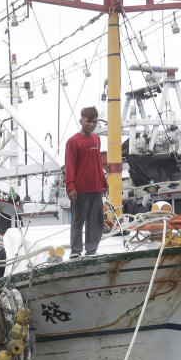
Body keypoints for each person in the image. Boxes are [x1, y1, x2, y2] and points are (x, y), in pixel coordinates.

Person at [64, 106, 106, 258]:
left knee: (96, 222)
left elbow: (98, 164)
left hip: (96, 188)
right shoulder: (72, 142)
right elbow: (69, 166)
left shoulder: (96, 139)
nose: (91, 125)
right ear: (81, 120)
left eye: (94, 122)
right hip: (79, 190)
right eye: (88, 121)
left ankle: (91, 250)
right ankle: (75, 252)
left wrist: (104, 182)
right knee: (78, 221)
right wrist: (70, 186)